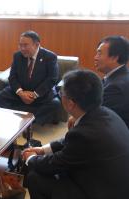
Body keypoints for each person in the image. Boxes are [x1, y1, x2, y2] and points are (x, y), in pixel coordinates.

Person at [22, 70, 129, 199]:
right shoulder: (105, 112)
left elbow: (56, 164)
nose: (60, 96)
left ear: (71, 103)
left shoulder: (85, 135)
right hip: (110, 180)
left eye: (61, 93)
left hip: (101, 191)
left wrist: (31, 158)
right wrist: (43, 150)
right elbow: (71, 142)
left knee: (35, 177)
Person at [0, 30, 60, 125]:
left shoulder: (50, 57)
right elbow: (12, 77)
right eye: (20, 45)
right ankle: (18, 118)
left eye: (25, 45)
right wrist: (21, 93)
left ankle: (28, 123)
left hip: (40, 93)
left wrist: (35, 94)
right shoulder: (17, 56)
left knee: (55, 104)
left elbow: (52, 79)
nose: (22, 48)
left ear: (36, 45)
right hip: (21, 91)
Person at [68, 35, 129, 129]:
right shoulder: (116, 75)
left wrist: (77, 116)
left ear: (115, 58)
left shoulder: (117, 87)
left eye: (99, 53)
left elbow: (96, 117)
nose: (95, 57)